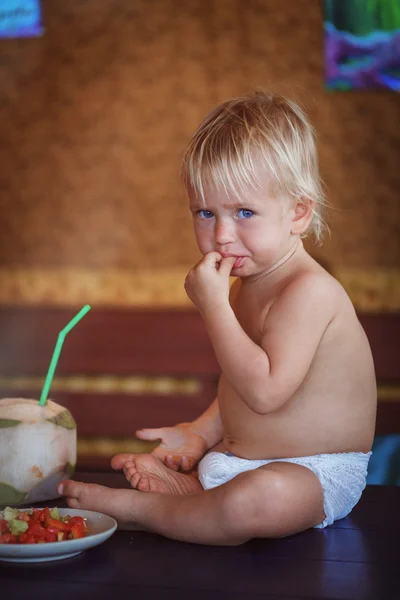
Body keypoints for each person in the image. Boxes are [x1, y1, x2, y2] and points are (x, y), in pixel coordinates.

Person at [59, 91, 377, 545]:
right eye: (206, 213)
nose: (222, 235)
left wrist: (213, 309)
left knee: (256, 499)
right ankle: (196, 493)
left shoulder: (308, 291)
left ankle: (143, 509)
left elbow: (265, 392)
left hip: (314, 473)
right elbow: (236, 385)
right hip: (237, 464)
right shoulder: (245, 285)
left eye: (244, 212)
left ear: (298, 213)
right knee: (242, 492)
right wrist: (198, 434)